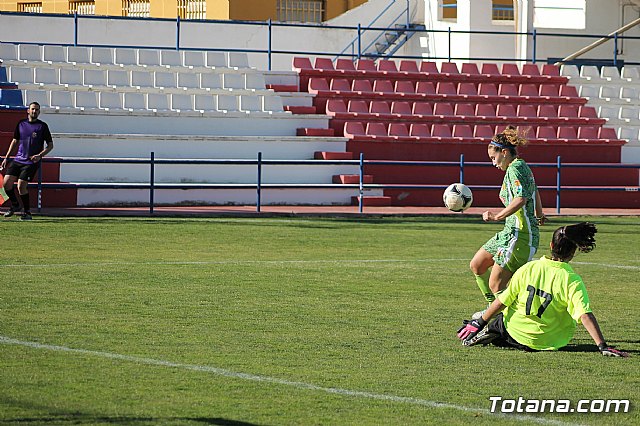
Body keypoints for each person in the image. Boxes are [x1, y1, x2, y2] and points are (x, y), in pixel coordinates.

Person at [457, 222, 628, 357]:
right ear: (574, 251)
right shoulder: (571, 279)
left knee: (503, 316)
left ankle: (491, 329)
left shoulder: (529, 268)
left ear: (551, 245)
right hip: (550, 342)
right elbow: (584, 315)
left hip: (515, 333)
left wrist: (479, 322)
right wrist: (602, 346)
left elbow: (502, 300)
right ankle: (495, 330)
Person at [469, 126, 545, 317]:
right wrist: (539, 214)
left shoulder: (515, 169)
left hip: (520, 235)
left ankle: (509, 318)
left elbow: (521, 198)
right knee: (477, 265)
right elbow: (534, 190)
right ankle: (493, 309)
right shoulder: (519, 166)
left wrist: (497, 216)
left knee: (495, 284)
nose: (493, 163)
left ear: (504, 152)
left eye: (493, 158)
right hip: (509, 232)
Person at [1, 101, 54, 220]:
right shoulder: (21, 124)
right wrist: (7, 157)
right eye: (33, 109)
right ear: (28, 110)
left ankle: (27, 213)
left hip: (31, 161)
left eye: (37, 110)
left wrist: (39, 156)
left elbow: (50, 145)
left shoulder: (42, 126)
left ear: (39, 112)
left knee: (21, 185)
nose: (35, 111)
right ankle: (15, 205)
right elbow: (15, 141)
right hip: (18, 159)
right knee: (6, 183)